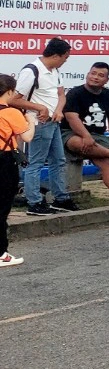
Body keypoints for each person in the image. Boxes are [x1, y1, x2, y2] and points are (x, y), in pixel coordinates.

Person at [13, 38, 76, 215]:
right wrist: (40, 107)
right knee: (36, 162)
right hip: (38, 122)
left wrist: (58, 110)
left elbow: (61, 94)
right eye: (65, 57)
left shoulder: (55, 70)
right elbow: (15, 99)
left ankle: (60, 198)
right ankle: (34, 201)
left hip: (53, 121)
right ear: (56, 55)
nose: (65, 61)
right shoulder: (31, 71)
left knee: (58, 160)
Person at [61, 62, 109, 207]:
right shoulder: (75, 93)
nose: (95, 77)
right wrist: (86, 136)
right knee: (80, 143)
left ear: (107, 80)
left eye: (100, 75)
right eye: (93, 73)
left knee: (107, 163)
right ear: (87, 74)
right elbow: (71, 117)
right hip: (72, 133)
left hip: (98, 136)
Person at [1, 73, 36, 269]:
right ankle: (1, 253)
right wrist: (30, 121)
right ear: (8, 92)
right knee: (2, 207)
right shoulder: (11, 113)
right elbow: (27, 137)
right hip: (4, 161)